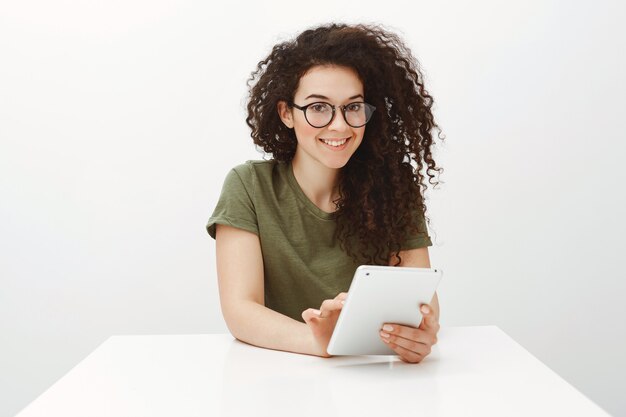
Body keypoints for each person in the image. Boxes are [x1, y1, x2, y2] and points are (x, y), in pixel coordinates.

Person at [206, 22, 444, 363]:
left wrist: (420, 334)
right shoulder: (248, 186)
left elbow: (422, 301)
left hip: (375, 379)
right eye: (318, 107)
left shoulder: (394, 189)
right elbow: (240, 311)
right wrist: (319, 341)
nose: (339, 125)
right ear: (287, 113)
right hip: (277, 376)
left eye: (353, 106)